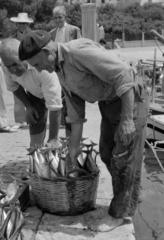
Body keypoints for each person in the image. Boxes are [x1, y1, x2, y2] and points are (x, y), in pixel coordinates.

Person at [18, 30, 149, 232]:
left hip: (129, 100)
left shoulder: (78, 52)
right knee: (106, 152)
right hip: (108, 104)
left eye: (37, 64)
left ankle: (120, 212)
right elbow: (75, 112)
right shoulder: (59, 70)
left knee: (122, 156)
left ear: (46, 51)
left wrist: (127, 119)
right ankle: (133, 192)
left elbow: (123, 73)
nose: (39, 69)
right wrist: (74, 147)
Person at [0, 38, 62, 147]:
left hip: (61, 92)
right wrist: (28, 106)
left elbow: (55, 106)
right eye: (8, 66)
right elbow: (14, 86)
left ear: (23, 56)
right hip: (35, 93)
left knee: (69, 125)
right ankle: (37, 154)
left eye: (15, 64)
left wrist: (53, 139)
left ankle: (70, 156)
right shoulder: (6, 65)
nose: (12, 70)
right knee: (34, 119)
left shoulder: (43, 68)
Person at [50, 5, 82, 137]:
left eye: (60, 17)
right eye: (55, 18)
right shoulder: (52, 33)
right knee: (59, 93)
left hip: (71, 67)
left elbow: (80, 47)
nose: (58, 20)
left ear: (65, 17)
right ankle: (63, 119)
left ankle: (73, 117)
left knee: (72, 93)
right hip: (57, 68)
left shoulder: (74, 30)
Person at [10, 13, 34, 129]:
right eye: (20, 23)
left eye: (24, 23)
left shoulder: (32, 36)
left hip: (30, 66)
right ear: (16, 24)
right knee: (18, 92)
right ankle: (20, 120)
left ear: (27, 24)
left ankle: (34, 117)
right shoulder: (12, 37)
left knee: (33, 91)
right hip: (17, 67)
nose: (21, 25)